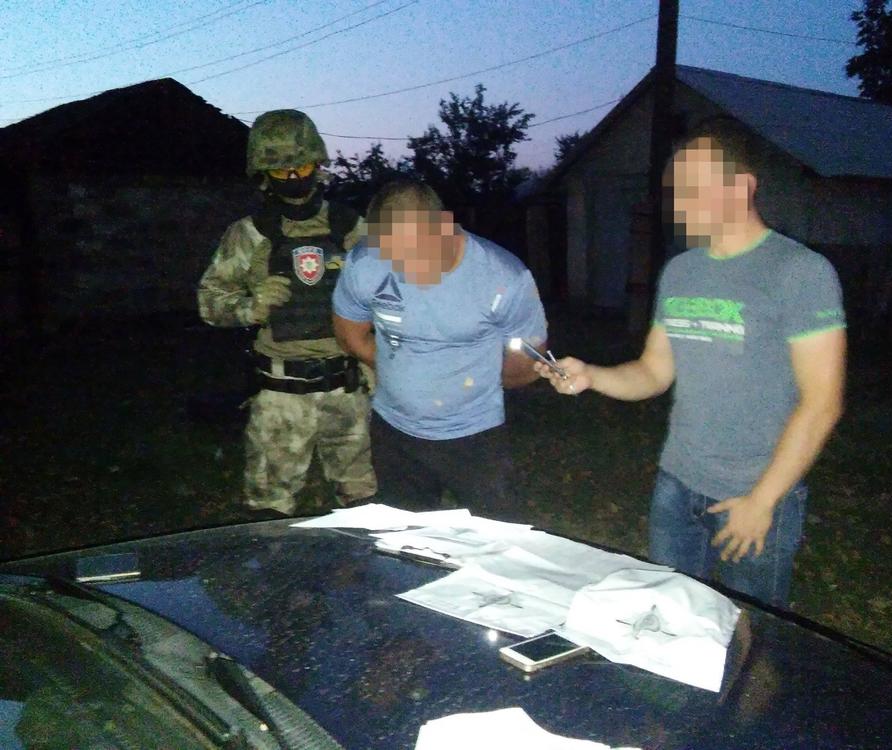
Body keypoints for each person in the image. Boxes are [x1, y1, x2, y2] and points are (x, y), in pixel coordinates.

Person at [537, 117, 847, 608]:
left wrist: (763, 500)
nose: (679, 204)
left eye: (692, 188)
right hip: (677, 485)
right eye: (676, 190)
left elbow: (822, 403)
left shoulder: (800, 272)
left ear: (742, 187)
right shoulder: (681, 272)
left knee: (750, 627)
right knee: (672, 617)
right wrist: (590, 375)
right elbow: (653, 372)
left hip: (754, 492)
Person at [333, 180, 546, 521]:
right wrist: (402, 373)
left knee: (497, 538)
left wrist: (473, 385)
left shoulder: (504, 276)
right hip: (394, 432)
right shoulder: (364, 261)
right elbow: (350, 336)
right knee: (401, 537)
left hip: (476, 437)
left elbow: (527, 362)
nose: (398, 264)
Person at [198, 109, 376, 516]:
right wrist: (250, 307)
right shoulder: (248, 234)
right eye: (282, 171)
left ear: (318, 165)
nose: (294, 178)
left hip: (347, 390)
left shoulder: (351, 226)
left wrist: (376, 358)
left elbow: (390, 295)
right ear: (264, 175)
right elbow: (208, 302)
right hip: (280, 395)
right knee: (268, 513)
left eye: (302, 167)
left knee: (365, 507)